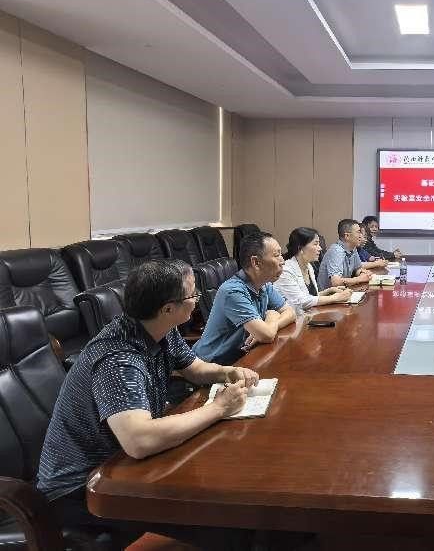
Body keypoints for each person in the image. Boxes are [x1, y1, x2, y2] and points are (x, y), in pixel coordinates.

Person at [37, 260, 258, 550]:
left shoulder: (159, 329)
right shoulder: (118, 359)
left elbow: (194, 369)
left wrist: (227, 372)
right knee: (226, 520)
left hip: (123, 464)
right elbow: (139, 441)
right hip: (83, 487)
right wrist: (218, 408)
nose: (197, 300)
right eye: (192, 295)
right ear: (168, 309)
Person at [192, 232, 295, 365]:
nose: (283, 261)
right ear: (256, 262)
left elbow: (290, 313)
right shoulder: (232, 291)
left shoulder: (264, 284)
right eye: (276, 255)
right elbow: (266, 335)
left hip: (242, 356)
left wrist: (271, 322)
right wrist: (271, 316)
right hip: (213, 363)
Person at [275, 227, 353, 309]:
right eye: (316, 244)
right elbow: (300, 301)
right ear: (300, 248)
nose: (320, 248)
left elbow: (310, 297)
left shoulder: (309, 266)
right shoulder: (286, 270)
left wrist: (329, 291)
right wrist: (335, 298)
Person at [317, 219, 373, 289]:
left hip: (343, 290)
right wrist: (360, 279)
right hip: (329, 294)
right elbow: (335, 282)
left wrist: (362, 273)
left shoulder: (353, 248)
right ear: (347, 236)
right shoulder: (337, 251)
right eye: (358, 232)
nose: (361, 236)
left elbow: (357, 269)